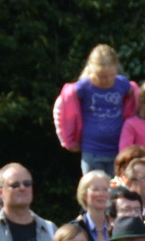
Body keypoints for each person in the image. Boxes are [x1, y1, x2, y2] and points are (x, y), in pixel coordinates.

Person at [56, 44, 139, 174]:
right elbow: (64, 110)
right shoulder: (83, 87)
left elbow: (135, 101)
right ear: (92, 70)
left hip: (117, 150)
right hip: (92, 150)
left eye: (111, 75)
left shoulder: (123, 85)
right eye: (101, 76)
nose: (106, 80)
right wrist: (69, 140)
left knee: (116, 190)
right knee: (94, 189)